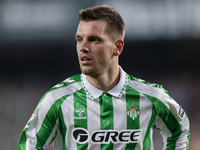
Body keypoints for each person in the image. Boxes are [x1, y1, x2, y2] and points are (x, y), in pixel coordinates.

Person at [18, 5, 190, 150]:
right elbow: (30, 144)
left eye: (94, 39)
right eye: (79, 39)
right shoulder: (57, 99)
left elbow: (179, 131)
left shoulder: (152, 96)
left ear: (118, 47)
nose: (83, 47)